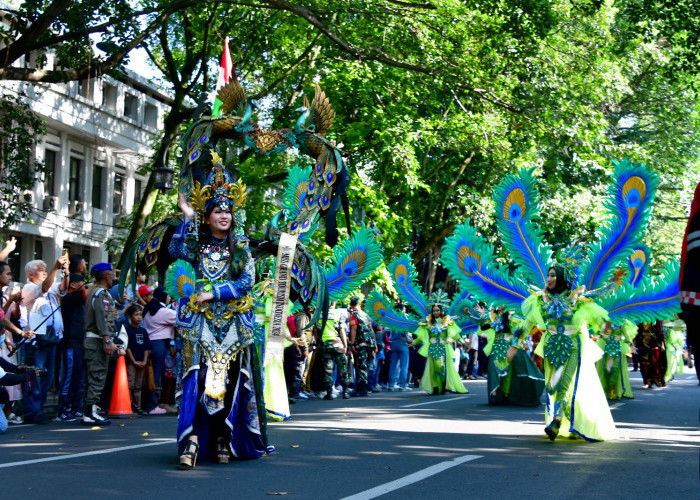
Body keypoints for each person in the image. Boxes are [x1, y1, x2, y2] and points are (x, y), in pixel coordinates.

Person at [170, 167, 271, 469]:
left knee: (228, 382)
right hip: (200, 325)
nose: (223, 215)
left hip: (232, 326)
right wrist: (186, 216)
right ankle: (193, 440)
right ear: (208, 216)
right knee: (199, 380)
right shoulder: (198, 245)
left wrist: (211, 293)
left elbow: (245, 284)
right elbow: (175, 248)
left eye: (227, 211)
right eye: (217, 211)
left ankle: (222, 438)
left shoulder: (240, 248)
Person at [522, 266, 617, 441]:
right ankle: (573, 421)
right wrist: (515, 341)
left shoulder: (577, 300)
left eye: (553, 275)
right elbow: (527, 324)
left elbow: (598, 318)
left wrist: (606, 327)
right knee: (552, 387)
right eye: (548, 275)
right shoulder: (542, 300)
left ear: (563, 278)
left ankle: (556, 422)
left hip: (572, 346)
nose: (549, 279)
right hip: (552, 348)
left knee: (564, 382)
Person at [22, 256, 69, 424]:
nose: (45, 272)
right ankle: (32, 411)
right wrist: (56, 267)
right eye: (41, 270)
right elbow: (44, 286)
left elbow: (63, 287)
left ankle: (39, 410)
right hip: (37, 341)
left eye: (45, 270)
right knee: (36, 376)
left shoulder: (52, 289)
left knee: (47, 377)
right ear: (30, 273)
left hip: (52, 338)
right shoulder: (28, 288)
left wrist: (66, 272)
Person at [479, 306, 544, 406]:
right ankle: (494, 395)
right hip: (496, 346)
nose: (499, 305)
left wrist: (523, 343)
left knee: (508, 373)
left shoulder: (513, 316)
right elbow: (483, 327)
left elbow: (519, 331)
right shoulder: (491, 315)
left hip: (509, 348)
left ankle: (506, 395)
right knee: (493, 370)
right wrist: (481, 315)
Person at [82, 262, 119, 426]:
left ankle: (92, 409)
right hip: (96, 340)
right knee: (97, 376)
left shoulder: (98, 293)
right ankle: (90, 412)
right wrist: (107, 339)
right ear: (106, 276)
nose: (114, 277)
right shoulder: (101, 294)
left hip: (96, 340)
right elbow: (101, 319)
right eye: (112, 274)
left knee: (95, 377)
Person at [412, 304, 468, 395]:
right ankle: (435, 387)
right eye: (434, 310)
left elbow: (455, 334)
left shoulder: (447, 321)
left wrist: (462, 341)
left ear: (441, 311)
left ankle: (443, 384)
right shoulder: (428, 321)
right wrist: (413, 343)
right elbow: (421, 336)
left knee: (442, 367)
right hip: (432, 347)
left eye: (437, 310)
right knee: (433, 368)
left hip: (443, 347)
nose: (436, 312)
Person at [56, 272, 88, 422]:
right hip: (70, 343)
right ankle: (63, 409)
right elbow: (88, 292)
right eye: (82, 281)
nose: (84, 284)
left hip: (81, 342)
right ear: (73, 284)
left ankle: (76, 408)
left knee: (79, 378)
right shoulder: (70, 297)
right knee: (68, 377)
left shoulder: (80, 299)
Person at [141, 285, 176, 414]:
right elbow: (181, 318)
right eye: (168, 295)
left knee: (153, 375)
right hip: (159, 345)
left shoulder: (149, 309)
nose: (170, 298)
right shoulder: (162, 311)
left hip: (151, 344)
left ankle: (152, 403)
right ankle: (151, 406)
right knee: (154, 376)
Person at [318, 302, 351, 400]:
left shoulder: (320, 314)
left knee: (328, 370)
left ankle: (329, 394)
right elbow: (342, 331)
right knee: (343, 369)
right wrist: (345, 345)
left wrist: (318, 343)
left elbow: (317, 330)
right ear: (333, 302)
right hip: (338, 344)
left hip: (325, 345)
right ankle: (345, 393)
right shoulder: (338, 313)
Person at [124, 304, 151, 414]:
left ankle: (137, 406)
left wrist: (144, 361)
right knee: (130, 383)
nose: (139, 317)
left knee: (138, 385)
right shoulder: (127, 330)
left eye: (140, 315)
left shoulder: (143, 331)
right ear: (130, 317)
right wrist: (134, 361)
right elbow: (127, 347)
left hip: (142, 361)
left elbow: (147, 347)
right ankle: (129, 405)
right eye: (136, 315)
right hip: (131, 362)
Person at [348, 295, 376, 397]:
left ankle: (362, 389)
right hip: (369, 343)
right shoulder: (365, 314)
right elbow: (371, 329)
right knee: (366, 366)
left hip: (361, 343)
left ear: (351, 304)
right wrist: (375, 345)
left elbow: (354, 329)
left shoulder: (353, 314)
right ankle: (362, 388)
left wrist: (352, 343)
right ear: (359, 303)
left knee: (361, 366)